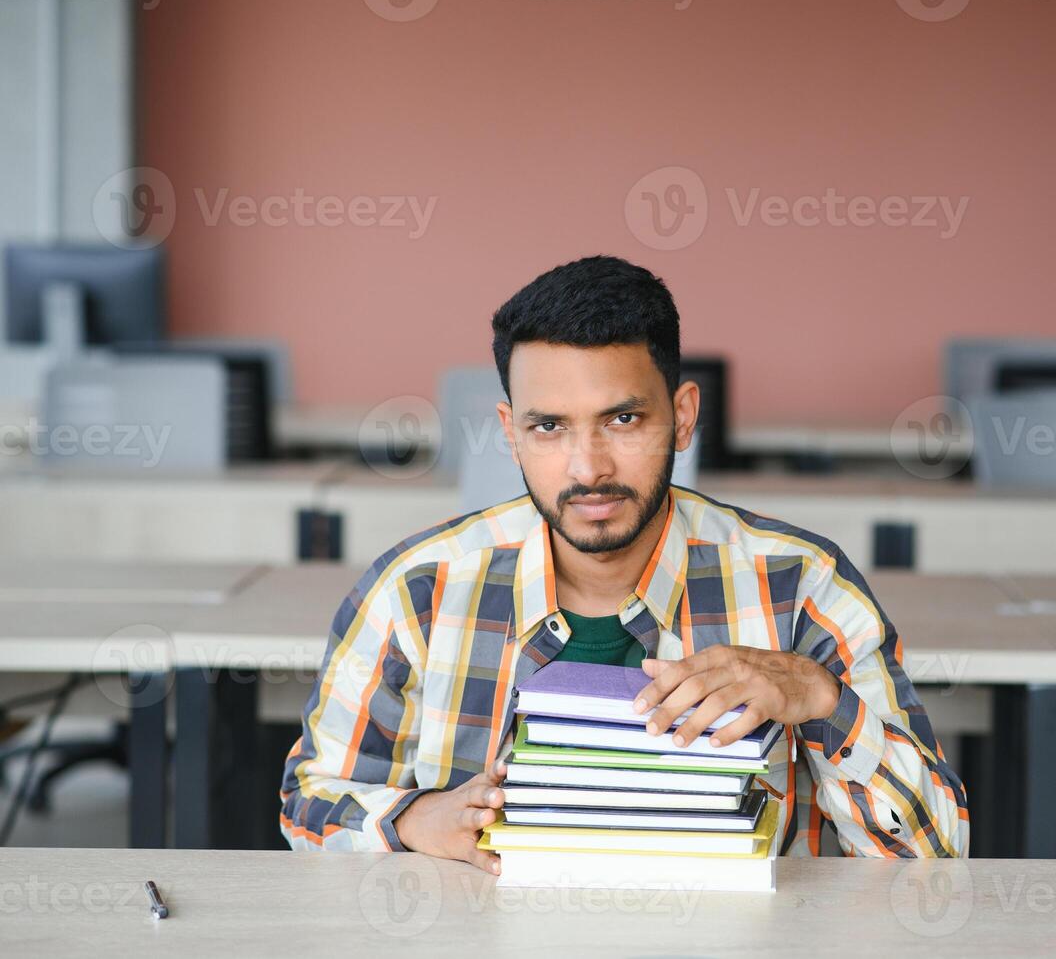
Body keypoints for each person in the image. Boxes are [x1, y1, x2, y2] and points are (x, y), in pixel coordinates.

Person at [279, 255, 968, 868]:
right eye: (547, 427)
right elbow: (310, 801)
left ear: (684, 414)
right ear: (509, 434)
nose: (588, 468)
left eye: (623, 420)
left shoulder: (800, 586)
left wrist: (821, 699)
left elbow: (934, 851)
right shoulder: (418, 590)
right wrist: (405, 819)